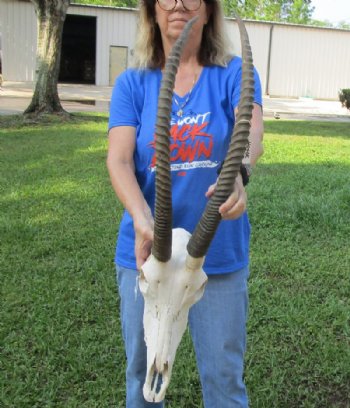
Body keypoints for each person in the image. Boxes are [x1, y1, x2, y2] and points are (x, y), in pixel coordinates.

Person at [107, 0, 264, 406]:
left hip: (215, 253)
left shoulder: (233, 73)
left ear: (209, 9)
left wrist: (239, 175)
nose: (177, 3)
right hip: (147, 255)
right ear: (151, 10)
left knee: (224, 380)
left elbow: (250, 135)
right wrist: (143, 219)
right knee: (144, 379)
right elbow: (120, 160)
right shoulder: (132, 82)